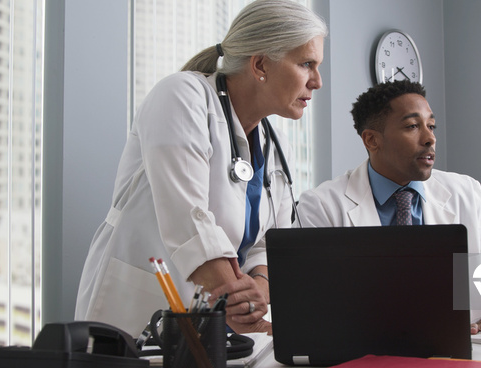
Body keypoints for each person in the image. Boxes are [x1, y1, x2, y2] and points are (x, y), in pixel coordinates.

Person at [75, 0, 326, 337]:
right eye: (306, 64)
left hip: (219, 321)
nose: (317, 81)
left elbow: (269, 243)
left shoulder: (275, 143)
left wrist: (258, 293)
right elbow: (189, 221)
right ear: (261, 64)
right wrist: (238, 303)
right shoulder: (182, 97)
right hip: (144, 312)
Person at [296, 80, 481, 333]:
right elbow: (315, 303)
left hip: (457, 353)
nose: (429, 138)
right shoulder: (322, 205)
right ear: (371, 140)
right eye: (413, 126)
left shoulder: (465, 192)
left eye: (431, 126)